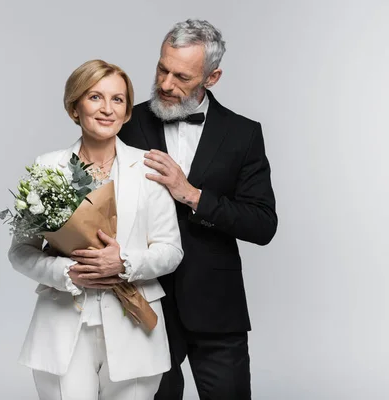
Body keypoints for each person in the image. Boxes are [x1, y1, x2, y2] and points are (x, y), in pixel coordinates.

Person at [117, 19, 278, 399]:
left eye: (182, 76)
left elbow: (263, 224)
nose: (167, 84)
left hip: (217, 307)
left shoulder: (243, 134)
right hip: (144, 303)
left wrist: (191, 194)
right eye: (162, 68)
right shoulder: (126, 122)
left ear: (213, 76)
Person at [8, 59, 184, 400]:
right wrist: (69, 272)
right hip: (62, 328)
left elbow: (171, 251)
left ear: (128, 111)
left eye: (117, 99)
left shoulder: (149, 168)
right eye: (94, 97)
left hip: (135, 331)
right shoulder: (46, 168)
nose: (107, 109)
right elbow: (20, 252)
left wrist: (125, 263)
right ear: (75, 107)